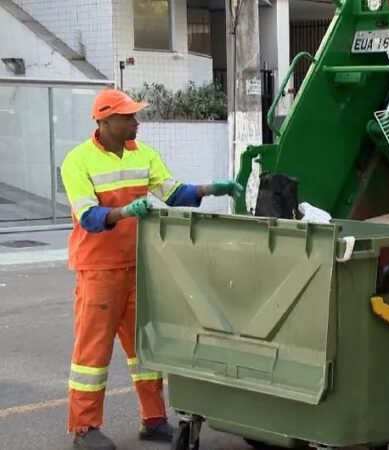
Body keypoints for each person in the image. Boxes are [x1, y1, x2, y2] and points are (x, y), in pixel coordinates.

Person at [60, 89, 244, 450]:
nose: (136, 122)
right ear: (105, 120)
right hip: (98, 271)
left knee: (145, 350)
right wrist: (125, 212)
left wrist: (211, 188)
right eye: (129, 116)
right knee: (92, 355)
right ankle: (84, 428)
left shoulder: (143, 154)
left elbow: (174, 194)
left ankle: (154, 419)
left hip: (138, 266)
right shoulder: (77, 161)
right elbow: (89, 218)